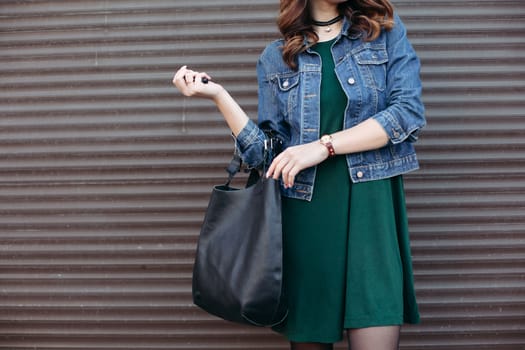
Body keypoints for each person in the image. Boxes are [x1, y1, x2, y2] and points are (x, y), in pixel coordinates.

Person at [173, 0, 426, 349]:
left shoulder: (384, 35)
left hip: (372, 208)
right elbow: (268, 156)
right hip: (306, 214)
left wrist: (325, 146)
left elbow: (407, 114)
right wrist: (219, 97)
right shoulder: (277, 57)